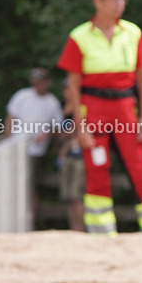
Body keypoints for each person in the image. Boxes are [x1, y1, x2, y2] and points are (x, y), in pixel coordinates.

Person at [57, 0, 142, 236]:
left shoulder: (133, 32)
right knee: (96, 171)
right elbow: (72, 85)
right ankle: (102, 235)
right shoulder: (79, 36)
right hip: (92, 108)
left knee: (140, 167)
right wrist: (80, 126)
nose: (121, 4)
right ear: (98, 2)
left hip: (125, 107)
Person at [4, 67, 65, 218]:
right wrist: (7, 143)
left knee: (30, 187)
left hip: (36, 152)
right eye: (35, 82)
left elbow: (60, 129)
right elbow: (10, 118)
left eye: (40, 82)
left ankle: (30, 221)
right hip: (16, 148)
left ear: (47, 83)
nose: (37, 85)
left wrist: (48, 133)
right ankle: (9, 218)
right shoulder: (22, 96)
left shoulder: (52, 103)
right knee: (10, 184)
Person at [58, 76, 86, 232]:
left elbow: (76, 130)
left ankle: (80, 229)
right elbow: (65, 133)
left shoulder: (81, 106)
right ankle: (73, 228)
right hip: (67, 155)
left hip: (79, 156)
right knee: (68, 196)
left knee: (78, 195)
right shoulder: (64, 108)